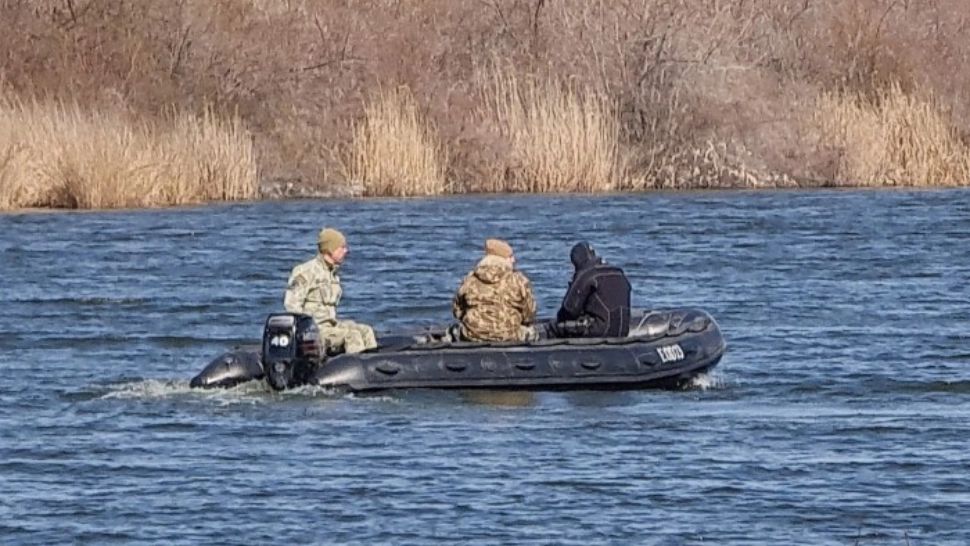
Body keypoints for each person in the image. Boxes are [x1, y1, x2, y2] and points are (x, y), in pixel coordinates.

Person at [283, 227, 377, 354]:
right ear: (330, 249)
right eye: (342, 247)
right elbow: (292, 305)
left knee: (366, 330)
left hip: (331, 325)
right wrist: (307, 332)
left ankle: (372, 367)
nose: (346, 251)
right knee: (352, 335)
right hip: (314, 330)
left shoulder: (332, 274)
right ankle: (354, 368)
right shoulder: (305, 272)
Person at [452, 238, 537, 342]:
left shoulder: (470, 279)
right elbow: (529, 313)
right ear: (503, 259)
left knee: (454, 331)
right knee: (532, 332)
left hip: (472, 335)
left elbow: (457, 310)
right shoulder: (519, 280)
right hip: (510, 335)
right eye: (510, 257)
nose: (514, 260)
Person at [553, 241, 631, 338]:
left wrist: (572, 287)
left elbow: (568, 311)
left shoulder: (586, 275)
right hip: (623, 330)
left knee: (555, 327)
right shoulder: (618, 273)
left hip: (600, 330)